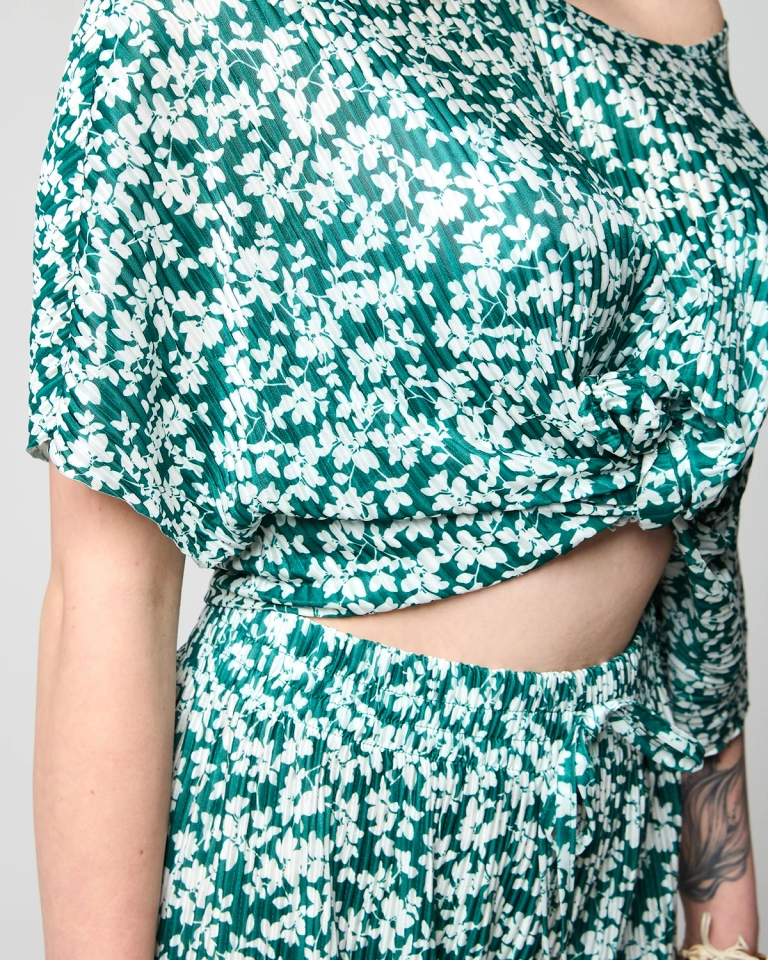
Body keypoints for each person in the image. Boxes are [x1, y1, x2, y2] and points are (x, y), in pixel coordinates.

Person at [26, 0, 763, 956]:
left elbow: (698, 498)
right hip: (331, 810)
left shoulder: (681, 12)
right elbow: (110, 588)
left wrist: (720, 903)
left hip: (612, 817)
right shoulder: (193, 18)